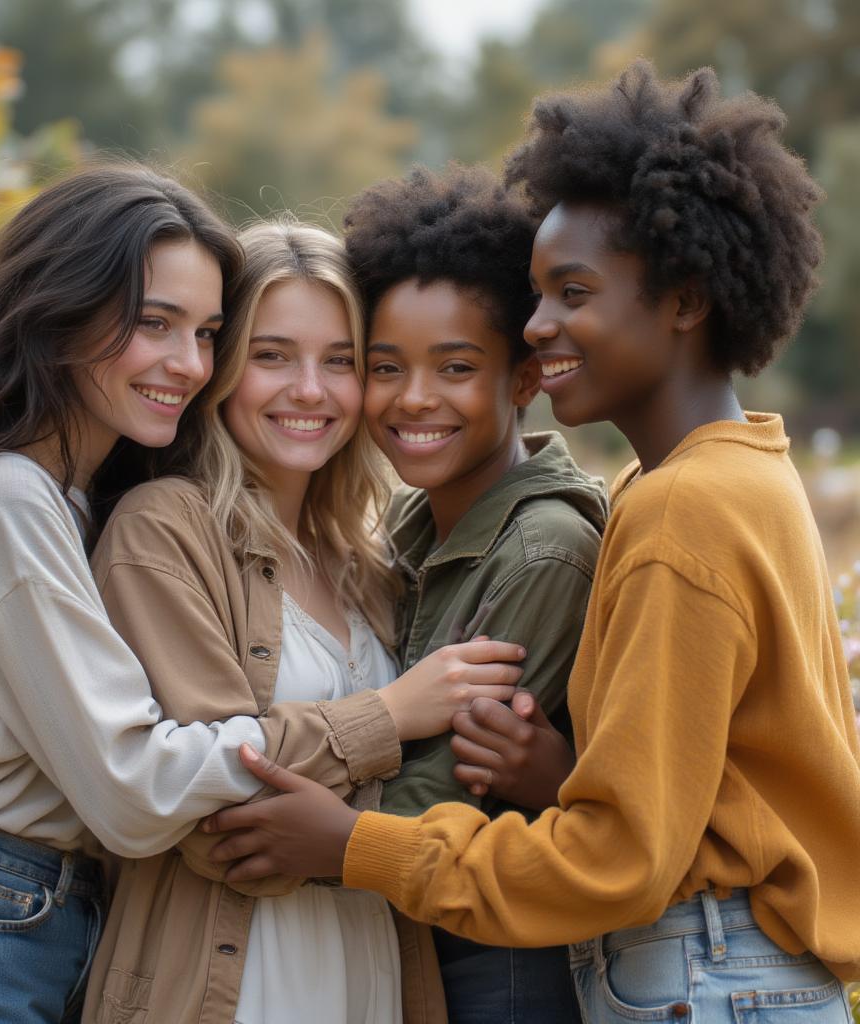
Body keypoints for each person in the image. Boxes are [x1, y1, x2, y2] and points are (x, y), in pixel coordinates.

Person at [203, 63, 860, 1020]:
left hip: (705, 970)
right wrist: (559, 771)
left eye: (571, 293)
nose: (540, 323)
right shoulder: (726, 476)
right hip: (715, 965)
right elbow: (700, 789)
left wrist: (351, 843)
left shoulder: (683, 511)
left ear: (684, 298)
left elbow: (622, 862)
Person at [81, 221, 524, 1024]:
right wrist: (390, 713)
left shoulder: (371, 563)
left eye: (341, 360)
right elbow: (208, 820)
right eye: (272, 355)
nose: (311, 390)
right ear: (221, 372)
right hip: (231, 985)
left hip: (370, 978)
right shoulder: (165, 530)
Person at [341, 163, 605, 1022]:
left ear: (525, 379)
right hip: (415, 943)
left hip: (499, 967)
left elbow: (437, 800)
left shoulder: (543, 550)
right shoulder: (412, 527)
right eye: (385, 367)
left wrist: (298, 793)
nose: (414, 398)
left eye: (455, 367)